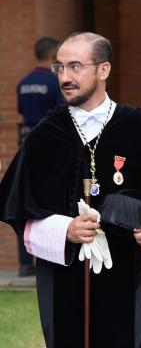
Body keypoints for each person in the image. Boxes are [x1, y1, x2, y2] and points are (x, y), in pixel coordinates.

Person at [0, 32, 141, 348]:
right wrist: (65, 229)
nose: (65, 77)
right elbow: (18, 210)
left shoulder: (138, 127)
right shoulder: (45, 135)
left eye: (75, 67)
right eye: (60, 68)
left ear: (103, 70)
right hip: (64, 281)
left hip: (129, 278)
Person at [15, 36, 65, 276]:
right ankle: (51, 256)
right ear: (52, 55)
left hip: (26, 146)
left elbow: (22, 112)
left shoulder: (23, 83)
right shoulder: (54, 83)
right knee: (51, 201)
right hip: (50, 147)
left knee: (25, 200)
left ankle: (25, 262)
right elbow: (60, 113)